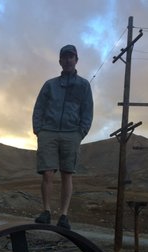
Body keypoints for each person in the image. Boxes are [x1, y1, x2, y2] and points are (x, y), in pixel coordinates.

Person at [32, 44, 93, 230]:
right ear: (60, 61)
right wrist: (38, 130)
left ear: (76, 60)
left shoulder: (84, 85)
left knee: (67, 174)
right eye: (64, 57)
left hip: (71, 133)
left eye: (71, 57)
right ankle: (46, 211)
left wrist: (80, 132)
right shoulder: (49, 84)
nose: (67, 60)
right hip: (48, 132)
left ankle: (64, 215)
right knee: (47, 173)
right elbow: (39, 107)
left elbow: (87, 110)